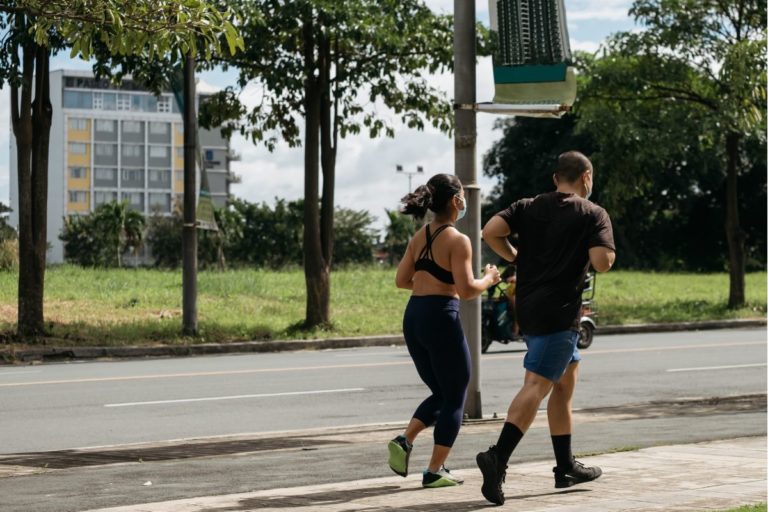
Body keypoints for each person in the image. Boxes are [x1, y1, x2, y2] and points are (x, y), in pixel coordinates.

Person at [476, 151, 616, 505]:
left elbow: (490, 231)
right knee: (538, 385)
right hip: (561, 312)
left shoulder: (528, 205)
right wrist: (600, 250)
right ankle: (498, 456)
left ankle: (565, 464)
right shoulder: (593, 213)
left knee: (565, 381)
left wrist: (513, 255)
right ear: (586, 177)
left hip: (530, 307)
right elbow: (602, 261)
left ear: (556, 179)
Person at [389, 173, 501, 488]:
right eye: (463, 196)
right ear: (455, 201)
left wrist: (429, 284)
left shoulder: (420, 235)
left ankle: (405, 439)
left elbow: (401, 280)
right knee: (456, 395)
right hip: (440, 315)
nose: (464, 202)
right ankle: (435, 470)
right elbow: (467, 290)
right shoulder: (458, 240)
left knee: (442, 392)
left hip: (414, 315)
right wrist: (489, 278)